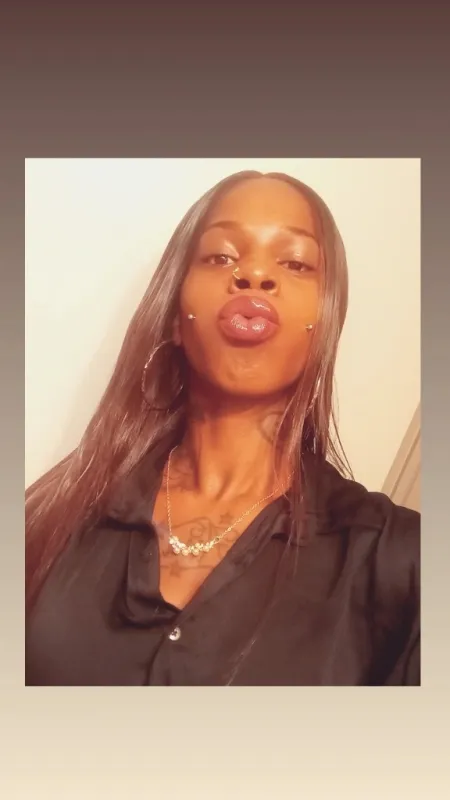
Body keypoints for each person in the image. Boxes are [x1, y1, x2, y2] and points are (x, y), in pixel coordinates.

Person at [25, 170, 420, 686]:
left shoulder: (400, 562)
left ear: (325, 323)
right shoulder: (54, 513)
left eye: (295, 262)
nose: (254, 274)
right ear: (175, 316)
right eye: (221, 257)